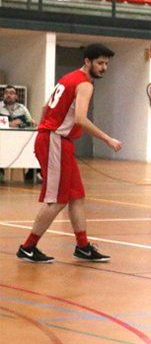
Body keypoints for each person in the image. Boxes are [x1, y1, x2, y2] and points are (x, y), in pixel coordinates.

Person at [16, 43, 122, 263]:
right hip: (55, 140)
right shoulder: (84, 84)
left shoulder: (68, 78)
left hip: (55, 139)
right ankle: (28, 247)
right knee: (57, 200)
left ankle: (82, 246)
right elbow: (81, 119)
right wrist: (107, 139)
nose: (104, 67)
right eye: (100, 63)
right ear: (87, 62)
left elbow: (46, 107)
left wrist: (46, 128)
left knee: (76, 196)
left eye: (106, 64)